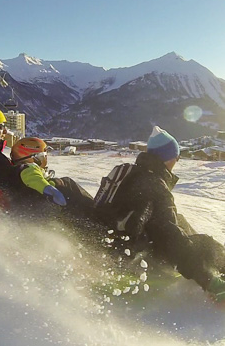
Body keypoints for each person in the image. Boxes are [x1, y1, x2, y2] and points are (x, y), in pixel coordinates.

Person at [95, 126, 225, 300]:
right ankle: (218, 282)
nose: (176, 162)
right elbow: (169, 237)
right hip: (132, 261)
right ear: (167, 159)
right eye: (176, 158)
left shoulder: (128, 173)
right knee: (207, 245)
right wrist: (208, 280)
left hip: (108, 246)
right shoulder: (155, 186)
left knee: (179, 220)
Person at [10, 137, 94, 213]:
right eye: (42, 156)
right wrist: (49, 189)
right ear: (32, 157)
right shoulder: (28, 168)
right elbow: (34, 179)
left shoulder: (19, 169)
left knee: (62, 182)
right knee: (67, 182)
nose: (44, 159)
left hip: (35, 206)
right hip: (40, 209)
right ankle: (93, 210)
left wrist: (54, 182)